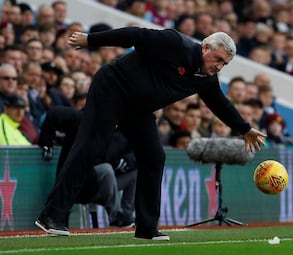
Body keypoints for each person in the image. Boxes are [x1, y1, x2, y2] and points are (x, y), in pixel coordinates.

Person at [35, 27, 266, 240]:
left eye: (224, 64)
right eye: (218, 59)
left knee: (154, 156)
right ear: (205, 47)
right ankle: (52, 215)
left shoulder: (206, 79)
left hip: (138, 108)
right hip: (113, 88)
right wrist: (91, 40)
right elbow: (135, 35)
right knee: (90, 147)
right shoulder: (175, 43)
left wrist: (245, 129)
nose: (219, 66)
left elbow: (220, 104)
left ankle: (146, 227)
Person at [39, 106, 137, 228]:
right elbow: (54, 114)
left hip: (101, 187)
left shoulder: (122, 131)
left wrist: (128, 160)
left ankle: (125, 216)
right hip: (76, 184)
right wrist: (46, 143)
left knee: (134, 173)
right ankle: (116, 215)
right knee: (106, 169)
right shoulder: (83, 119)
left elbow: (139, 151)